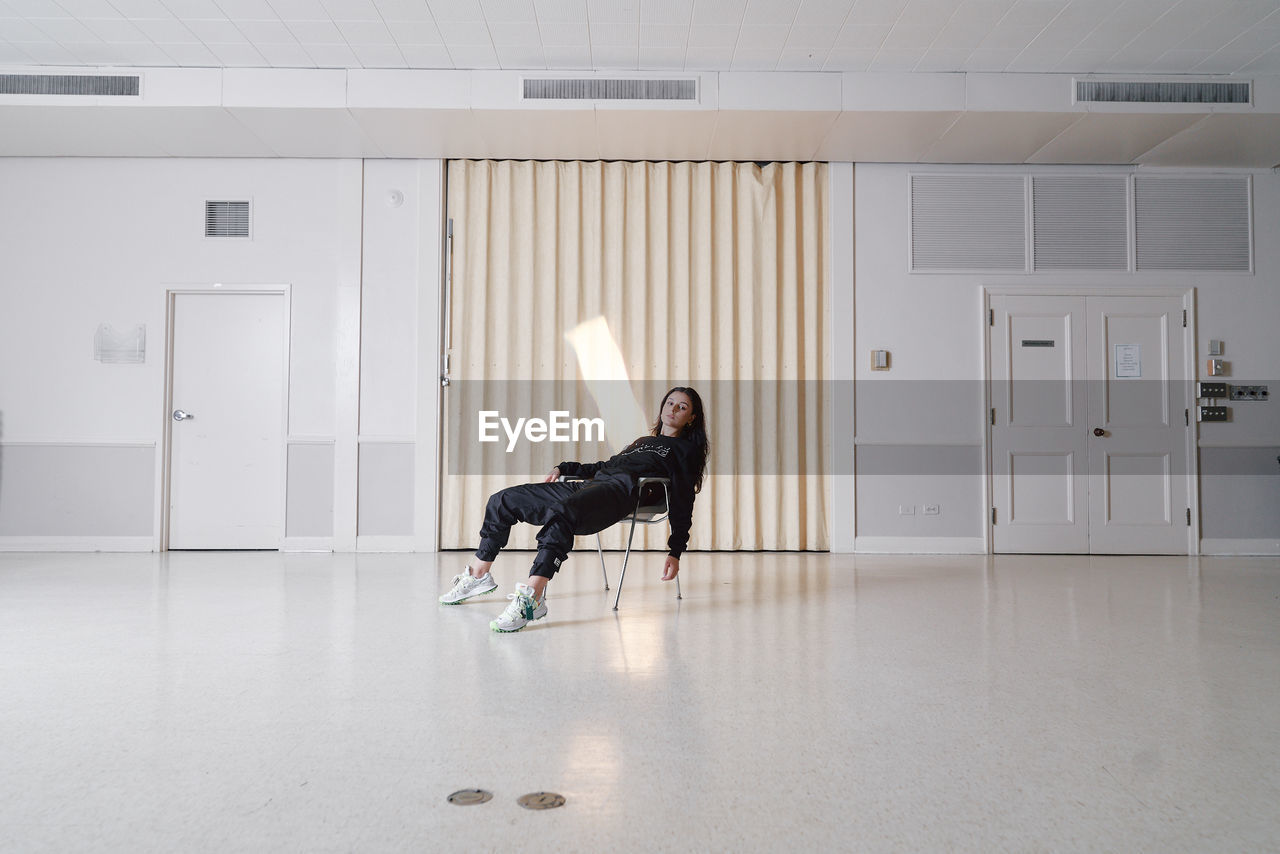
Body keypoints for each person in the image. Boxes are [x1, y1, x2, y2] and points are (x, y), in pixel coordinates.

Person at [440, 386, 710, 632]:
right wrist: (565, 468)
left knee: (563, 510)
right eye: (670, 402)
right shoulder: (641, 442)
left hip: (620, 494)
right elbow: (605, 466)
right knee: (503, 499)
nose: (672, 409)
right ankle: (478, 575)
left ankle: (533, 597)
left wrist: (675, 550)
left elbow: (683, 499)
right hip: (592, 487)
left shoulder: (685, 451)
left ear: (692, 418)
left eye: (682, 407)